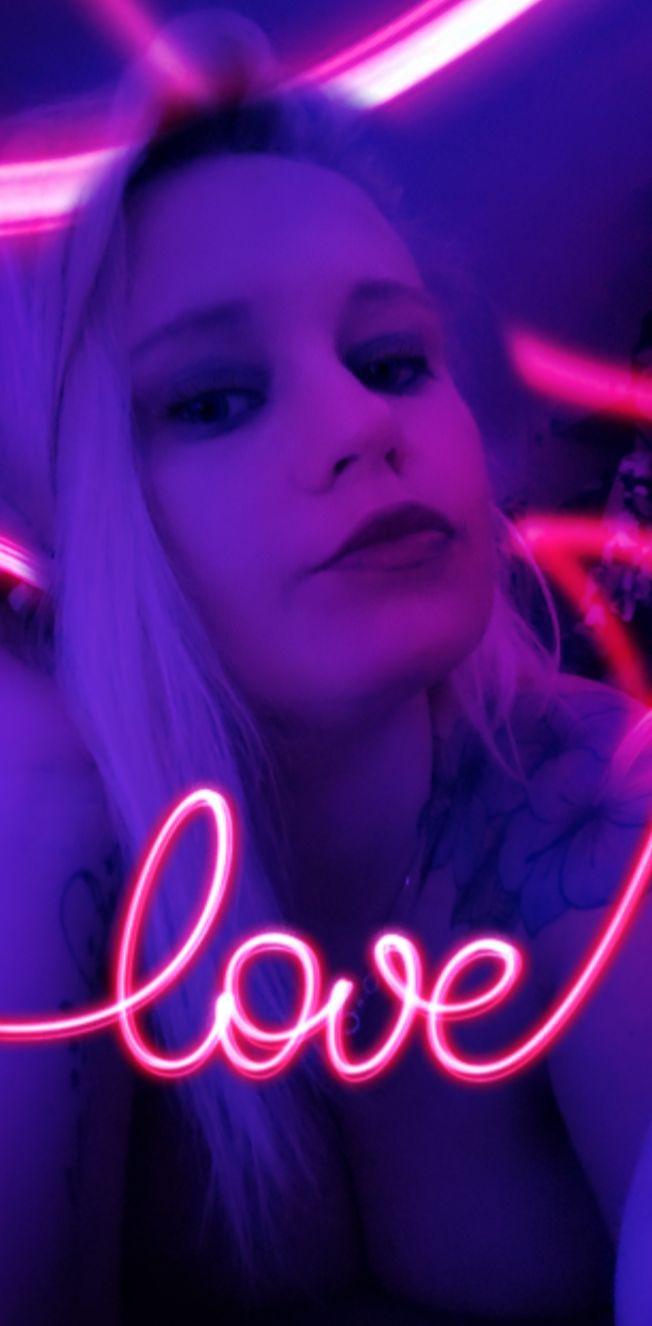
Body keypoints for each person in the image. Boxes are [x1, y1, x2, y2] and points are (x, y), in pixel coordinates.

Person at [1, 10, 652, 1324]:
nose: (362, 422)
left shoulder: (594, 820)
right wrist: (51, 815)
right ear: (91, 524)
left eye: (393, 360)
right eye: (214, 399)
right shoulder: (54, 844)